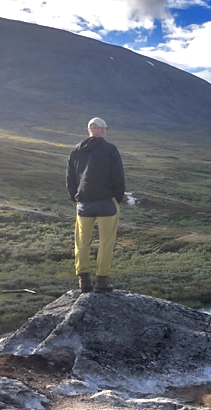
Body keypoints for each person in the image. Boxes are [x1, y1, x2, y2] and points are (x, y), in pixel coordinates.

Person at [66, 117, 125, 293]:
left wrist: (75, 197)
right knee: (106, 242)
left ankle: (83, 281)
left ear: (89, 130)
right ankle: (102, 281)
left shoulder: (76, 150)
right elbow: (118, 176)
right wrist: (117, 198)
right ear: (101, 130)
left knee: (82, 242)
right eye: (105, 128)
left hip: (84, 203)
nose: (105, 131)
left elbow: (70, 177)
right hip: (106, 203)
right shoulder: (110, 150)